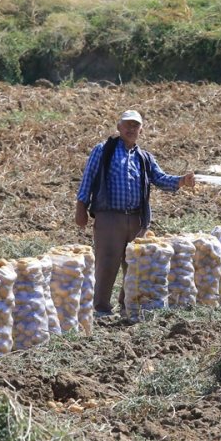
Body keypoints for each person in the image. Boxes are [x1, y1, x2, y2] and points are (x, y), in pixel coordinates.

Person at [75, 109, 195, 316]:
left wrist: (181, 181)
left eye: (135, 125)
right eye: (127, 124)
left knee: (133, 264)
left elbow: (160, 178)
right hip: (110, 216)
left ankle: (126, 305)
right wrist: (81, 207)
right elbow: (88, 179)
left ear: (141, 129)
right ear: (118, 127)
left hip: (137, 218)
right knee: (107, 262)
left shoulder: (144, 157)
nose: (131, 128)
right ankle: (101, 308)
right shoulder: (104, 150)